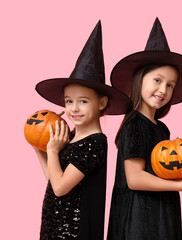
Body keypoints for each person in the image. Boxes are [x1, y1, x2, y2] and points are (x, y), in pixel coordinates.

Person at [107, 18, 182, 240]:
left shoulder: (162, 129)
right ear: (139, 80)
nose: (163, 90)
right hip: (139, 220)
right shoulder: (134, 125)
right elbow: (134, 179)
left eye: (170, 85)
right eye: (157, 80)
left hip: (161, 213)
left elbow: (166, 169)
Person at [34, 21, 132, 240]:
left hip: (74, 232)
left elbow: (60, 188)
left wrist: (51, 151)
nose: (74, 108)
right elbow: (54, 177)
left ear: (101, 103)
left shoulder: (95, 142)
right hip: (54, 226)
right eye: (69, 101)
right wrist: (39, 149)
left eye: (83, 101)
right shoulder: (69, 138)